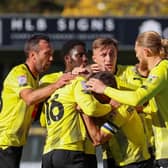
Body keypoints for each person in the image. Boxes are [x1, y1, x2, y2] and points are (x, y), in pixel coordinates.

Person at [86, 31, 168, 168]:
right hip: (115, 154)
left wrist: (105, 89)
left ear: (146, 52)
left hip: (142, 155)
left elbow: (138, 98)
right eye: (103, 55)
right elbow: (147, 105)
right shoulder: (88, 79)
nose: (108, 59)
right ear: (94, 58)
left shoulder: (158, 70)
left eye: (112, 54)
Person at [0, 34, 74, 168]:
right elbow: (29, 98)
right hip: (4, 143)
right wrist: (56, 85)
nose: (51, 58)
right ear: (33, 55)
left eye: (52, 54)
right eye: (47, 54)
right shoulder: (20, 73)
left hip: (14, 143)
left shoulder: (35, 78)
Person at [40, 70, 113, 168]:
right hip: (70, 150)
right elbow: (91, 108)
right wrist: (110, 107)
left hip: (48, 153)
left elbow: (43, 122)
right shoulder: (79, 82)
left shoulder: (55, 90)